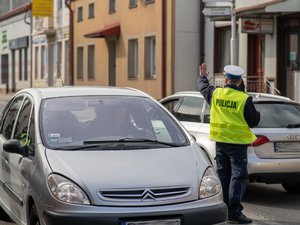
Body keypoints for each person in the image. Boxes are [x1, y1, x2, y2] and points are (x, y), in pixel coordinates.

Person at [198, 63, 260, 224]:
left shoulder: (216, 93)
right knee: (238, 176)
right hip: (238, 144)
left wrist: (203, 76)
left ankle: (225, 208)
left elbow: (203, 88)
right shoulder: (244, 98)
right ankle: (234, 212)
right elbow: (253, 121)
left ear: (225, 79)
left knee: (224, 175)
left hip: (220, 142)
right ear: (240, 81)